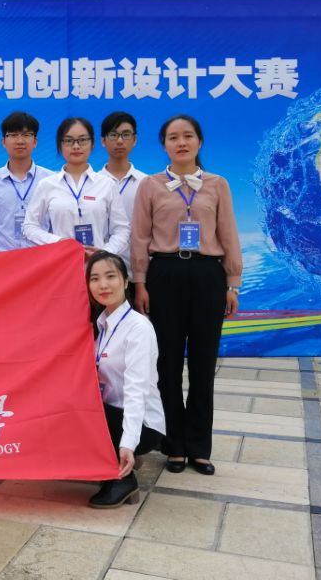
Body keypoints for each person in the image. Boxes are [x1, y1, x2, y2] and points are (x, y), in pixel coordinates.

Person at [131, 114, 241, 476]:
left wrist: (232, 283)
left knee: (203, 363)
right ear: (164, 145)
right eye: (173, 137)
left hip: (208, 275)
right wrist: (140, 283)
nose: (181, 142)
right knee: (167, 364)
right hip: (165, 274)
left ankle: (199, 447)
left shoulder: (217, 184)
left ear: (199, 142)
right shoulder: (150, 185)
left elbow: (228, 234)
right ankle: (174, 444)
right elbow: (140, 238)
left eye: (188, 136)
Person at [85, 251, 165, 508]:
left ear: (125, 281)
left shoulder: (138, 328)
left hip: (142, 423)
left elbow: (135, 390)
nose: (103, 285)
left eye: (110, 276)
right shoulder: (103, 325)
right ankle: (114, 458)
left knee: (79, 417)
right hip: (113, 414)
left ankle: (122, 478)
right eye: (95, 279)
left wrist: (128, 442)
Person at [23, 117, 129, 258]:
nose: (76, 146)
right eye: (69, 141)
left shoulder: (107, 184)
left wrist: (104, 252)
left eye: (83, 140)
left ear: (92, 144)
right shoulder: (47, 185)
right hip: (62, 261)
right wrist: (58, 242)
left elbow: (122, 229)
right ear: (60, 145)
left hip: (98, 264)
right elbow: (29, 226)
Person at [0, 111, 53, 252]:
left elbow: (53, 226)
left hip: (41, 259)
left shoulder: (50, 180)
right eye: (13, 135)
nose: (20, 141)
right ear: (3, 142)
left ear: (35, 141)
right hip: (3, 260)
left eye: (26, 135)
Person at [99, 111, 148, 284]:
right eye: (113, 135)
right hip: (101, 273)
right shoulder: (92, 184)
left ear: (135, 140)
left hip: (139, 274)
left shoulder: (146, 183)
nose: (120, 141)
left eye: (126, 135)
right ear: (103, 141)